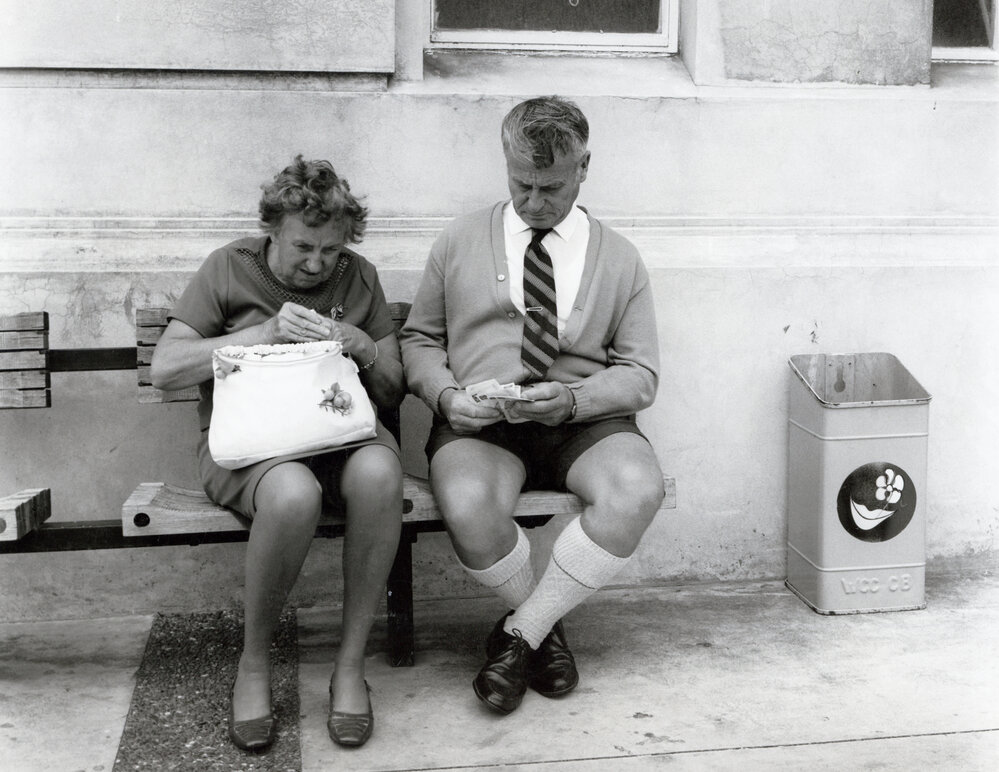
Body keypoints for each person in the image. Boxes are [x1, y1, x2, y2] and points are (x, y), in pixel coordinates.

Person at [400, 96, 666, 715]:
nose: (534, 202)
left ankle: (521, 633)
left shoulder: (620, 257)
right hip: (481, 426)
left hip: (584, 422)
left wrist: (573, 399)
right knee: (467, 504)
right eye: (521, 185)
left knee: (637, 490)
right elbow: (418, 339)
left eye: (550, 186)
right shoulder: (460, 240)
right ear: (505, 165)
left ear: (584, 166)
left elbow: (641, 375)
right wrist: (445, 396)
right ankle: (544, 625)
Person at [150, 156, 404, 750]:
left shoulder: (360, 276)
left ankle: (349, 667)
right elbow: (164, 369)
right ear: (273, 230)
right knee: (294, 493)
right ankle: (255, 664)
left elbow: (392, 388)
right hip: (253, 449)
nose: (317, 264)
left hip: (341, 436)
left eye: (331, 250)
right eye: (303, 248)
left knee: (381, 474)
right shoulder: (227, 268)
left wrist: (361, 343)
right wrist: (260, 335)